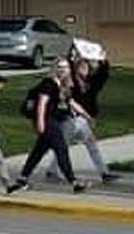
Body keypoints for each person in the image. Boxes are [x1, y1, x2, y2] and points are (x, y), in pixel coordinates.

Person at [9, 59, 90, 195]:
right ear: (54, 68)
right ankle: (74, 182)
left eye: (65, 67)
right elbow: (42, 103)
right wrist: (40, 123)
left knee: (38, 151)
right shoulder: (49, 83)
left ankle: (22, 179)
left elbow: (71, 102)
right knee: (61, 149)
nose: (62, 70)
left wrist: (86, 115)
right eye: (59, 67)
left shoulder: (62, 85)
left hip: (51, 121)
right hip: (47, 121)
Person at [46, 56, 117, 184]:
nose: (85, 70)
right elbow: (68, 70)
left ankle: (104, 173)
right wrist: (72, 55)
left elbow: (102, 77)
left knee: (91, 146)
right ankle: (53, 170)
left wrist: (104, 61)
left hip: (83, 121)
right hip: (70, 119)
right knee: (63, 146)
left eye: (86, 67)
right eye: (82, 67)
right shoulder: (71, 84)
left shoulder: (90, 84)